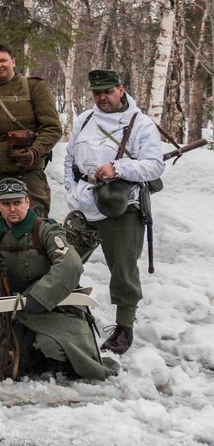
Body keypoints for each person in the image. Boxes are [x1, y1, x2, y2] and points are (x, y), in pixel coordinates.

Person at [0, 179, 118, 380]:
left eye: (17, 202)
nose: (12, 209)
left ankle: (59, 363)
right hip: (17, 312)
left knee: (54, 346)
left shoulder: (46, 229)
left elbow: (70, 265)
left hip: (56, 308)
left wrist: (40, 296)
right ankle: (32, 356)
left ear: (27, 202)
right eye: (6, 204)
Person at [63, 69, 165, 355]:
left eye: (107, 91)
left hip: (122, 207)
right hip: (84, 204)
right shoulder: (85, 120)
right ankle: (64, 310)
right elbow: (69, 159)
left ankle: (124, 327)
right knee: (63, 261)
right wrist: (71, 190)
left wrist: (118, 168)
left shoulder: (140, 124)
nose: (102, 98)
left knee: (123, 269)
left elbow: (154, 165)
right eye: (97, 93)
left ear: (121, 89)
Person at [0, 44, 62, 216]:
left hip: (27, 166)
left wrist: (34, 151)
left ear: (13, 62)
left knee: (35, 217)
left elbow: (52, 128)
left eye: (3, 60)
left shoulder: (33, 86)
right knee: (0, 218)